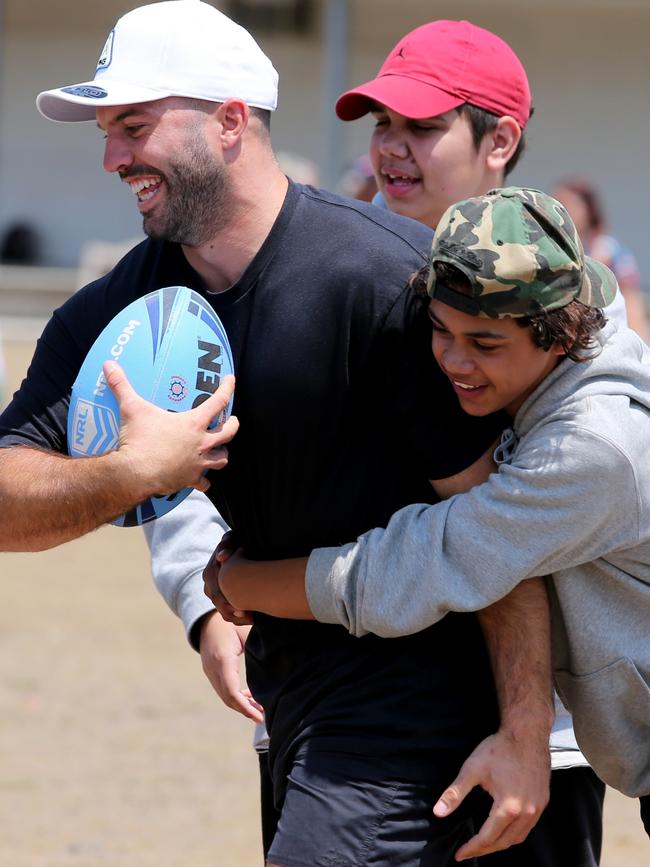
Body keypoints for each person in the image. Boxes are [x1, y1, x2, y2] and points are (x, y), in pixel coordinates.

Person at [0, 4, 554, 865]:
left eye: (135, 126)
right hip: (289, 697)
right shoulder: (117, 310)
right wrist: (129, 473)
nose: (113, 158)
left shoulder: (384, 280)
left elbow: (497, 524)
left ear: (229, 122)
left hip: (415, 712)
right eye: (108, 132)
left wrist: (525, 729)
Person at [203, 19, 615, 866]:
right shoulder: (313, 280)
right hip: (334, 716)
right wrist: (205, 596)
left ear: (499, 138)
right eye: (380, 125)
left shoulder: (572, 333)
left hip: (529, 747)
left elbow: (468, 542)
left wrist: (530, 725)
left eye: (420, 126)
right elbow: (216, 458)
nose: (390, 148)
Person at [553, 178, 648, 341]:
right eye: (558, 205)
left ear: (588, 210)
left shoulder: (607, 247)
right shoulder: (552, 248)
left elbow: (631, 297)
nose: (562, 212)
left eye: (569, 204)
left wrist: (642, 340)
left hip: (608, 335)